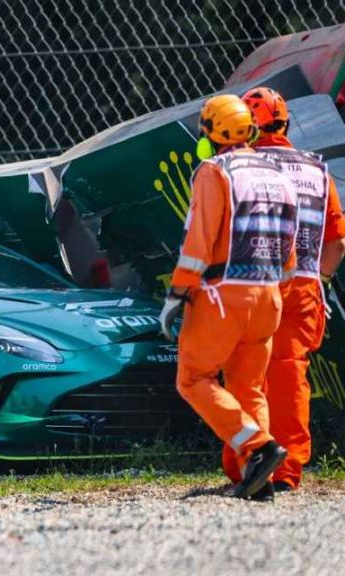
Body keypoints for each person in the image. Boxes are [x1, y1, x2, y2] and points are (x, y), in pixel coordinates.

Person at [159, 94, 297, 500]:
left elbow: (198, 242)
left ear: (209, 133)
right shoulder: (278, 174)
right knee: (249, 388)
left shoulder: (213, 172)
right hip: (269, 294)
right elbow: (290, 247)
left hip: (222, 294)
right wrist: (277, 292)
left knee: (193, 378)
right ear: (250, 131)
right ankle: (258, 482)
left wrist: (177, 293)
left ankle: (257, 449)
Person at [218, 87, 345, 492]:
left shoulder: (235, 167)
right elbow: (337, 244)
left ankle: (248, 464)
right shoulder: (316, 170)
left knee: (245, 373)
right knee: (291, 374)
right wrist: (321, 280)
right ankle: (288, 471)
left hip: (253, 283)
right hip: (305, 284)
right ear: (285, 123)